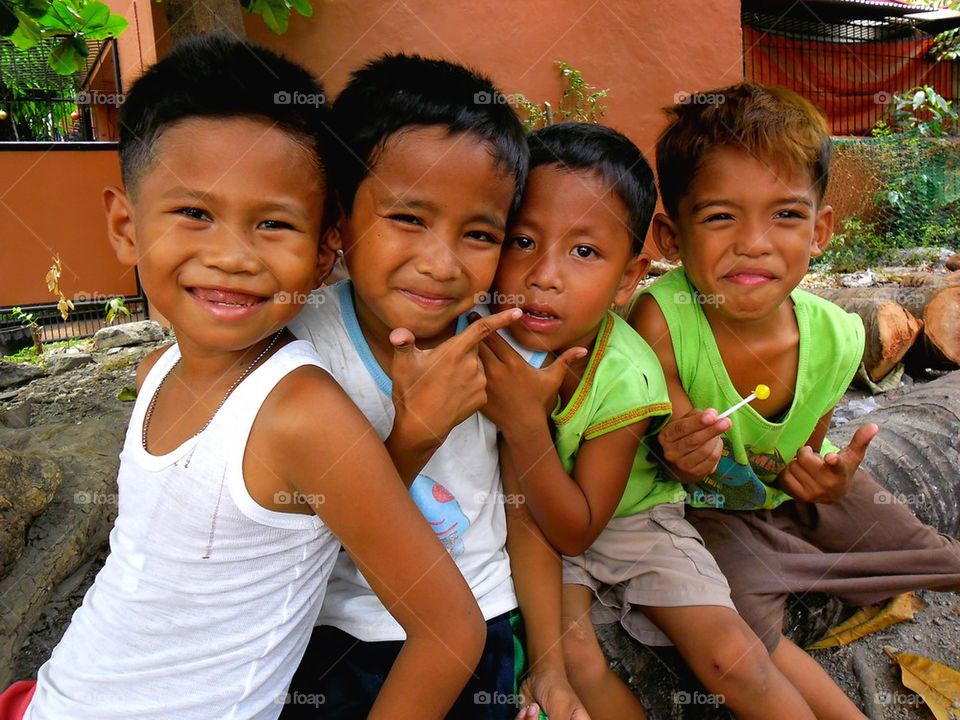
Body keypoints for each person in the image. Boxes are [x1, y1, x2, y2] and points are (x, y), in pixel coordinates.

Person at [1, 35, 485, 720]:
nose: (232, 255)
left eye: (273, 224)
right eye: (195, 213)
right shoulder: (157, 370)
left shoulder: (301, 414)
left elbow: (449, 632)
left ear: (323, 255)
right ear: (125, 226)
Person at [631, 82, 960, 719]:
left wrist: (827, 481)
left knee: (926, 551)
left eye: (784, 215)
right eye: (721, 216)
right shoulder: (663, 320)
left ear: (821, 229)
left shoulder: (838, 334)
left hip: (782, 492)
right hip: (701, 508)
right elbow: (680, 462)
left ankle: (813, 560)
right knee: (744, 619)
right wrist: (682, 454)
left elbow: (807, 453)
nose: (754, 242)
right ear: (671, 236)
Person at [283, 54, 587, 720]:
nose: (442, 264)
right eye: (408, 219)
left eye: (479, 233)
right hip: (326, 636)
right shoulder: (299, 351)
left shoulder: (503, 356)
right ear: (340, 221)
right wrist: (413, 432)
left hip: (477, 625)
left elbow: (524, 520)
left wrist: (549, 665)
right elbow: (288, 537)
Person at [479, 122, 816, 719]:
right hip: (527, 529)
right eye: (522, 241)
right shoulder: (488, 342)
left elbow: (579, 529)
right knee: (577, 667)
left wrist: (527, 426)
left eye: (584, 252)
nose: (544, 275)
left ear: (628, 279)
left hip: (631, 519)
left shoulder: (625, 373)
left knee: (729, 654)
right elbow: (530, 517)